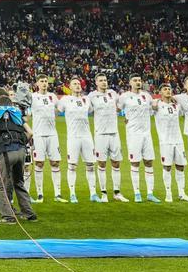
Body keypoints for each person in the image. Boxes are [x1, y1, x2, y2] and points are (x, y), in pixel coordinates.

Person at [0, 87, 37, 224]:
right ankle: (29, 213)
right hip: (21, 151)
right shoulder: (17, 112)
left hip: (7, 150)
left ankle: (8, 216)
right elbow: (30, 133)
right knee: (18, 181)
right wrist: (22, 143)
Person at [118, 74, 160, 203]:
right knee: (135, 163)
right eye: (135, 80)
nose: (138, 82)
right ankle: (137, 193)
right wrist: (125, 118)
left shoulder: (147, 96)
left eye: (139, 80)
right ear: (130, 82)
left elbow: (152, 112)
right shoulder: (124, 97)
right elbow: (117, 110)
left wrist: (154, 106)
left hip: (146, 134)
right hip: (133, 134)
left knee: (148, 162)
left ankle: (150, 193)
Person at [59, 79, 98, 203]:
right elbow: (57, 110)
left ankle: (93, 193)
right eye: (74, 84)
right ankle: (72, 193)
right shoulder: (64, 100)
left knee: (91, 165)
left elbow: (91, 111)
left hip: (87, 137)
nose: (77, 85)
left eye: (78, 84)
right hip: (73, 137)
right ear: (69, 87)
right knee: (72, 166)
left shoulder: (86, 100)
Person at [88, 74, 125, 202]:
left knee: (116, 163)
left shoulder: (113, 93)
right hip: (100, 134)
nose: (104, 82)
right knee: (102, 163)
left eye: (105, 80)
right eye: (101, 80)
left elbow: (120, 107)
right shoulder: (91, 96)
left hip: (114, 133)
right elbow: (86, 110)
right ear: (96, 82)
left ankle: (117, 192)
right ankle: (104, 193)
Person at [154, 83, 188, 203]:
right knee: (167, 167)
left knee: (181, 166)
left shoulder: (177, 106)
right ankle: (168, 193)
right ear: (160, 92)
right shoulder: (156, 105)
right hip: (165, 142)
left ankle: (182, 193)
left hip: (178, 140)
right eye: (165, 89)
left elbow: (186, 114)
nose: (167, 91)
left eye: (169, 89)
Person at [28, 76, 63, 203]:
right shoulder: (32, 97)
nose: (44, 83)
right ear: (37, 83)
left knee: (55, 162)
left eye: (45, 81)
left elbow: (59, 110)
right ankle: (40, 195)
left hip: (52, 134)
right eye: (41, 81)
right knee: (39, 163)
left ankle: (58, 194)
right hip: (38, 135)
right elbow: (27, 114)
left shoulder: (52, 96)